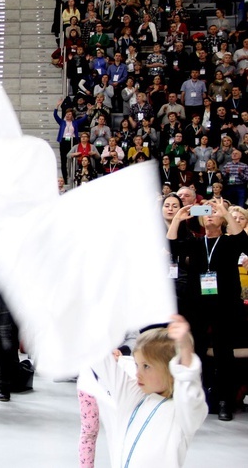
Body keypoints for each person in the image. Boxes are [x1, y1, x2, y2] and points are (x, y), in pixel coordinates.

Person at [167, 197, 246, 421]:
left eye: (215, 212)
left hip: (225, 305)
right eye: (207, 211)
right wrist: (178, 219)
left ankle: (225, 401)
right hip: (197, 305)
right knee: (197, 350)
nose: (211, 214)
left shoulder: (230, 242)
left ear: (222, 218)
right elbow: (172, 245)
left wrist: (226, 212)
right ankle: (198, 398)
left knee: (224, 353)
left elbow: (244, 242)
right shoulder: (195, 242)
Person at [90, 318, 207, 467]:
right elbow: (98, 360)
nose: (138, 373)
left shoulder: (182, 414)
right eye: (136, 365)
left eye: (146, 366)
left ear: (172, 370)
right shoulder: (134, 395)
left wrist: (185, 352)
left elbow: (191, 394)